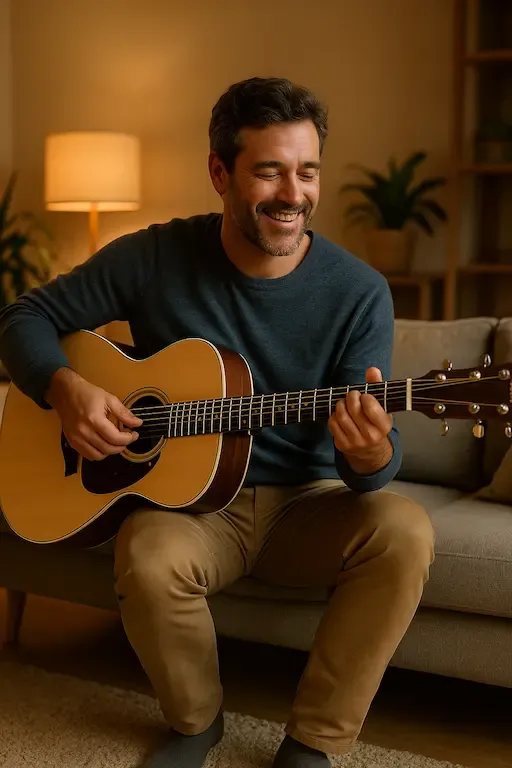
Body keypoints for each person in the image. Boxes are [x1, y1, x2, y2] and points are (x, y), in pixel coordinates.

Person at [0, 77, 435, 768]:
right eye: (269, 171)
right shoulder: (154, 257)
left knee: (406, 532)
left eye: (307, 171)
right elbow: (25, 316)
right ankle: (197, 722)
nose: (293, 194)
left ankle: (314, 744)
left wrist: (370, 450)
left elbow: (370, 468)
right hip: (194, 511)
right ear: (219, 173)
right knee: (146, 555)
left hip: (306, 505)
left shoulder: (358, 293)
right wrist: (64, 389)